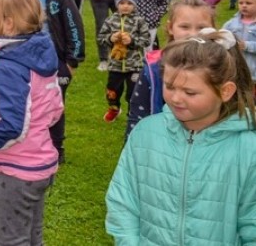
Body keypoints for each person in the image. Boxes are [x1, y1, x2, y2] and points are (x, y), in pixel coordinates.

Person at [106, 30, 256, 245]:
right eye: (169, 86)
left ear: (225, 91)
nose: (175, 98)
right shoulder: (145, 134)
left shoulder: (249, 149)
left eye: (190, 92)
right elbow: (123, 201)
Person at [0, 0, 63, 246]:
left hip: (17, 170)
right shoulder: (41, 53)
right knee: (33, 235)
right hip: (40, 162)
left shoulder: (9, 66)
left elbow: (12, 125)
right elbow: (55, 107)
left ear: (8, 22)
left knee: (12, 239)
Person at [21, 0, 85, 163]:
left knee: (55, 104)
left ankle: (57, 147)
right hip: (25, 60)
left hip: (54, 60)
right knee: (29, 103)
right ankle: (31, 144)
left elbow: (74, 28)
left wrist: (71, 63)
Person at [125, 0, 214, 137]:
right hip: (162, 141)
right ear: (170, 28)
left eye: (201, 28)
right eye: (184, 26)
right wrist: (133, 149)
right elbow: (138, 113)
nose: (193, 34)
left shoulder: (219, 66)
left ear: (212, 30)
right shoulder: (154, 68)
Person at [97, 0, 150, 123]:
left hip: (135, 65)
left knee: (133, 93)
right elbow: (100, 38)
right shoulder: (110, 21)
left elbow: (146, 40)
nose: (125, 6)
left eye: (129, 3)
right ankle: (114, 108)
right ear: (116, 4)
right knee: (112, 91)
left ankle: (133, 113)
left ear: (135, 5)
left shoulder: (139, 21)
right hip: (115, 65)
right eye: (122, 3)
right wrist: (110, 38)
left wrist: (132, 41)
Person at [222, 0, 256, 81]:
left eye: (248, 3)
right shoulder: (231, 23)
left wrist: (246, 45)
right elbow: (222, 36)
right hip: (234, 67)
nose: (244, 6)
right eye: (241, 3)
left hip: (252, 71)